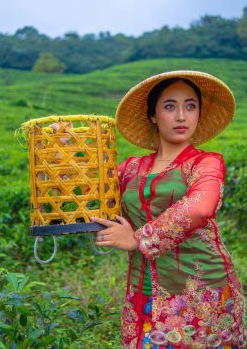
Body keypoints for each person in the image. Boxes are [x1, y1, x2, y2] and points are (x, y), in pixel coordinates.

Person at [91, 70, 246, 349]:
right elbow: (92, 187)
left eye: (190, 106)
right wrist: (67, 146)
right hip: (142, 292)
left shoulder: (206, 163)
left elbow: (200, 207)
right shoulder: (132, 168)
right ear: (153, 115)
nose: (181, 116)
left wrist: (138, 239)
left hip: (200, 294)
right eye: (169, 106)